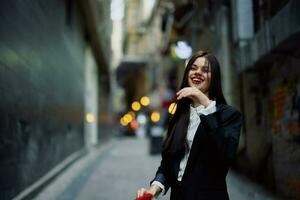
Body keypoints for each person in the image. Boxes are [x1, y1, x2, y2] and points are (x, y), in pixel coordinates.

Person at [136, 51, 242, 200]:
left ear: (215, 78)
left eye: (205, 70)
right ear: (187, 74)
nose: (197, 72)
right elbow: (168, 163)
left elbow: (224, 155)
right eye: (193, 68)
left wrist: (204, 103)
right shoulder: (179, 114)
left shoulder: (229, 115)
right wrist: (153, 189)